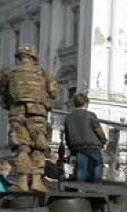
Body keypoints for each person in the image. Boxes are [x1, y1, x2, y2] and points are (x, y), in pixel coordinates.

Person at [0, 45, 58, 194]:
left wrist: (9, 104)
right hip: (38, 113)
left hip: (17, 113)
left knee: (22, 147)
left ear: (19, 58)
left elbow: (3, 91)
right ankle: (37, 181)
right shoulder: (43, 73)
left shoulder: (9, 73)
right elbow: (53, 92)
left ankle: (22, 182)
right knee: (39, 146)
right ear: (34, 58)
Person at [63, 93, 108, 183]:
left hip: (78, 147)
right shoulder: (90, 115)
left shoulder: (68, 117)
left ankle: (81, 190)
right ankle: (97, 186)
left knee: (81, 168)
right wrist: (104, 141)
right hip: (92, 146)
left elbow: (67, 135)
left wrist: (71, 149)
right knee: (98, 165)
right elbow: (98, 129)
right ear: (86, 103)